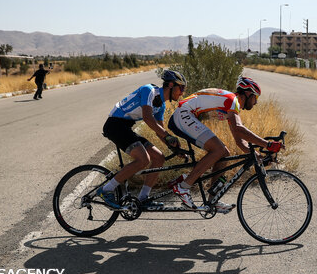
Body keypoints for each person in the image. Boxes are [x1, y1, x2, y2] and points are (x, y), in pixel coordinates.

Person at [167, 76, 284, 212]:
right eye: (255, 98)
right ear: (247, 93)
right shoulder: (231, 100)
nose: (256, 102)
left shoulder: (231, 106)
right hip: (184, 114)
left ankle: (213, 200)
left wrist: (258, 157)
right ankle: (183, 187)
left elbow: (240, 142)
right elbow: (240, 129)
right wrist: (267, 144)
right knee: (218, 149)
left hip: (186, 116)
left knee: (224, 152)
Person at [97, 70, 187, 208]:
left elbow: (160, 132)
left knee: (159, 158)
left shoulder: (161, 106)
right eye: (181, 88)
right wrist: (168, 137)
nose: (181, 92)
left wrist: (174, 148)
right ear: (170, 85)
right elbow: (147, 118)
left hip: (126, 127)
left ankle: (143, 199)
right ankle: (106, 190)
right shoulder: (149, 90)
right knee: (143, 159)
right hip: (115, 125)